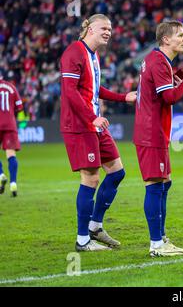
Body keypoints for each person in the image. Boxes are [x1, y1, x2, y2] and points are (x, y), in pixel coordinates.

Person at [60, 14, 137, 252]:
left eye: (110, 29)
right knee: (91, 178)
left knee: (116, 172)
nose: (108, 32)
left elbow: (95, 89)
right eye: (104, 28)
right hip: (80, 125)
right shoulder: (74, 52)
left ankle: (94, 225)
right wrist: (92, 117)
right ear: (89, 29)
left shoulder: (93, 56)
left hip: (94, 124)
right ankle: (83, 239)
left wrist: (122, 97)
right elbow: (70, 92)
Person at [133, 20, 183, 257]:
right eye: (180, 35)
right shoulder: (158, 61)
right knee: (154, 185)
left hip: (154, 132)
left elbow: (159, 85)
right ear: (166, 40)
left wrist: (182, 72)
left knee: (165, 182)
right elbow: (170, 97)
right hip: (151, 133)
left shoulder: (157, 60)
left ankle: (160, 236)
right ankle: (156, 244)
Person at [0, 75, 24, 197]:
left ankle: (1, 174)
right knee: (11, 153)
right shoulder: (11, 87)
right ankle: (13, 183)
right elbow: (20, 107)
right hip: (9, 123)